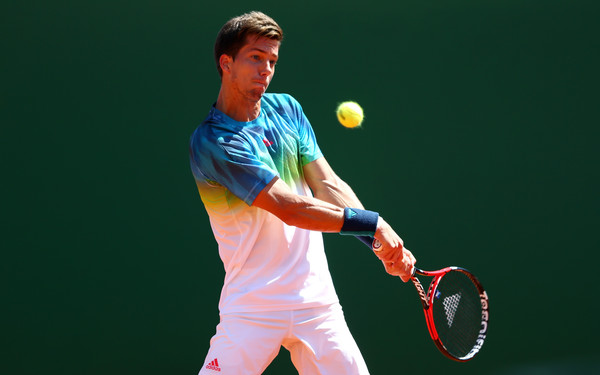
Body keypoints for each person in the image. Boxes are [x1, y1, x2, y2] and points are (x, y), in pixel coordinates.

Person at [189, 11, 416, 375]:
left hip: (317, 304)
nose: (266, 69)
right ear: (226, 63)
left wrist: (375, 243)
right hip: (253, 308)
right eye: (255, 58)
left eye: (272, 61)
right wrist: (372, 225)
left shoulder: (288, 110)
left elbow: (327, 185)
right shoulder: (214, 141)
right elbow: (288, 207)